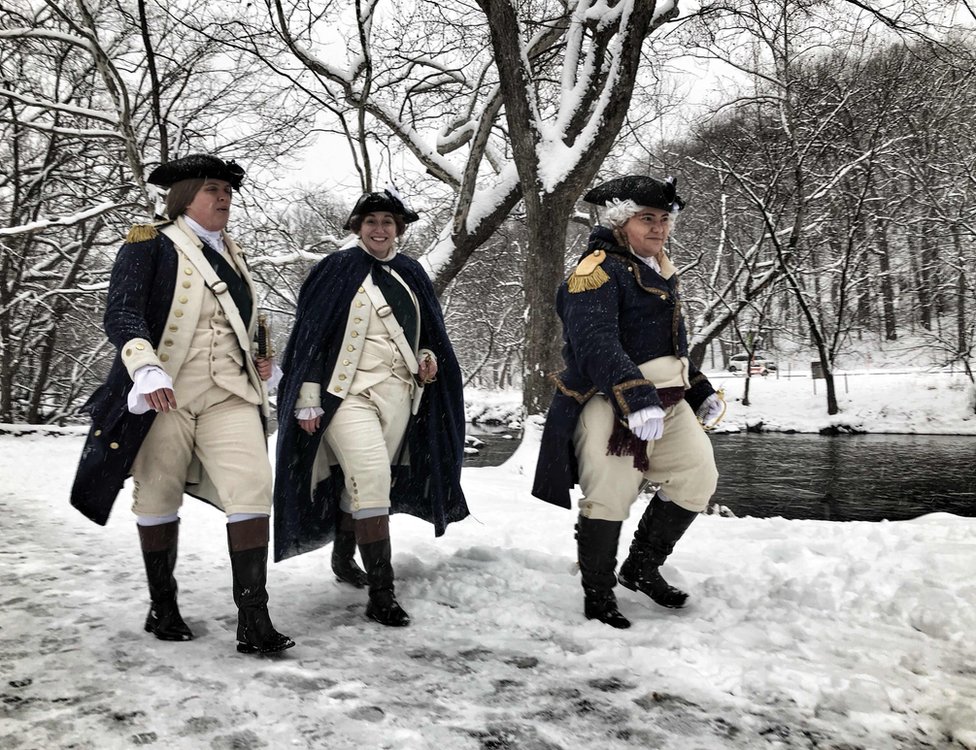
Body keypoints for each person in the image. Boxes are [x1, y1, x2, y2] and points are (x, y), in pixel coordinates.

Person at [70, 154, 294, 655]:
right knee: (157, 494)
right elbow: (123, 310)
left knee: (253, 488)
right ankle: (163, 605)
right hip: (164, 392)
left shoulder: (234, 254)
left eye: (228, 191)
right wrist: (144, 365)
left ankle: (253, 618)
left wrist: (264, 359)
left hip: (231, 393)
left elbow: (250, 321)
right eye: (212, 188)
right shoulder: (149, 243)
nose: (223, 198)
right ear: (184, 195)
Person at [533, 175, 724, 629]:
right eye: (647, 219)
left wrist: (697, 389)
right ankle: (598, 594)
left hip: (669, 402)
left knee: (698, 475)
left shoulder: (660, 267)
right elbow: (595, 341)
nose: (658, 228)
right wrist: (636, 396)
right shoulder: (595, 270)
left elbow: (666, 347)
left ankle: (640, 567)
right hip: (610, 400)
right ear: (621, 222)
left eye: (663, 219)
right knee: (611, 496)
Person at [274, 188, 468, 627]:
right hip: (346, 395)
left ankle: (344, 561)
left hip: (399, 395)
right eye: (371, 222)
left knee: (360, 484)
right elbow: (310, 338)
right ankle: (383, 594)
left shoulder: (411, 273)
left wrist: (428, 358)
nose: (379, 229)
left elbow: (427, 336)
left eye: (387, 222)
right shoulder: (334, 270)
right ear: (358, 228)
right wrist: (307, 397)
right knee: (374, 478)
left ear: (398, 230)